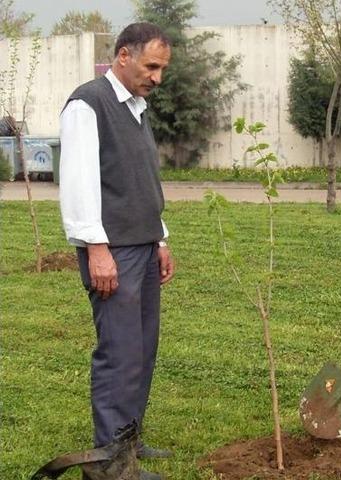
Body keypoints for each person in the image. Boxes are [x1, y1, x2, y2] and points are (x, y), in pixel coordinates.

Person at [59, 22, 175, 479]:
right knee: (120, 351)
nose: (157, 77)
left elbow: (141, 181)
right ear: (122, 56)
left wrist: (159, 237)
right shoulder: (89, 104)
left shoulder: (137, 107)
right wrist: (96, 248)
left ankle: (129, 440)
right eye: (151, 66)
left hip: (143, 246)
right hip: (113, 252)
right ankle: (107, 463)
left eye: (162, 69)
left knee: (143, 349)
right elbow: (79, 183)